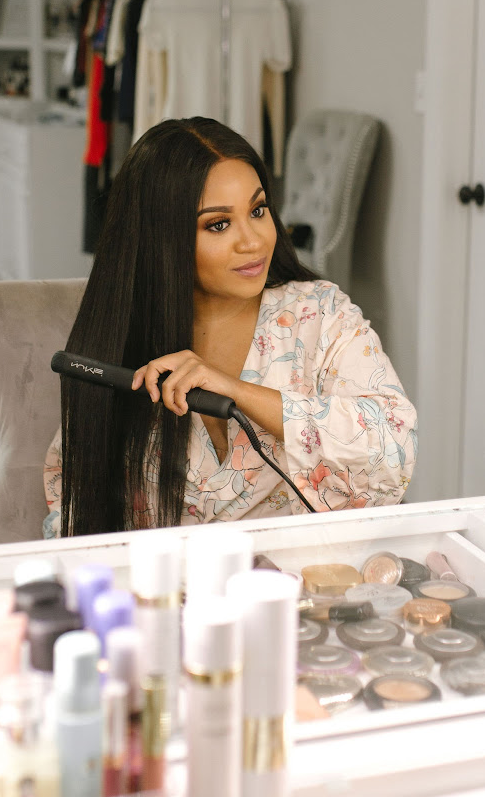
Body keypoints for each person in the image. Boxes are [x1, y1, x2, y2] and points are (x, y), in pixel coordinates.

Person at [43, 117, 417, 538]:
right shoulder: (121, 341)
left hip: (304, 573)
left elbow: (393, 450)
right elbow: (72, 506)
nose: (253, 241)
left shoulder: (320, 314)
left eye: (258, 210)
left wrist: (237, 391)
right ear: (161, 238)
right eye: (218, 224)